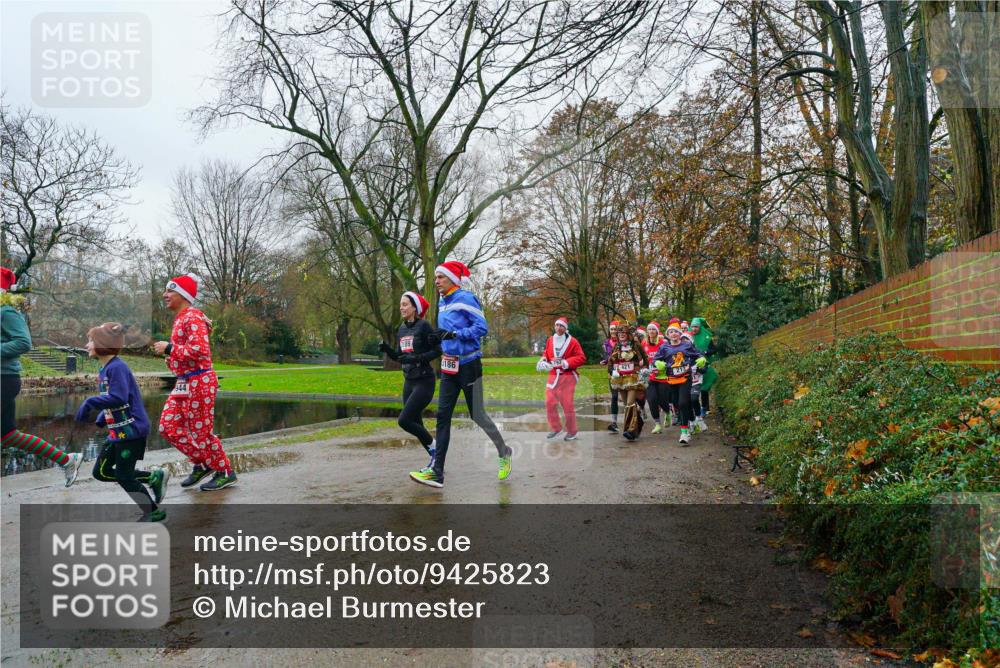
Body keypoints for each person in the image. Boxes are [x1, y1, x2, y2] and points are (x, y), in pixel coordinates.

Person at [409, 261, 512, 488]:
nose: (436, 281)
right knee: (442, 416)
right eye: (435, 277)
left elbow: (481, 328)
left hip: (469, 365)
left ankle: (504, 452)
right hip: (449, 367)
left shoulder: (465, 298)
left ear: (453, 279)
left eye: (441, 277)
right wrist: (437, 338)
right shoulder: (443, 302)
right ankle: (437, 471)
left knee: (478, 414)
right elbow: (446, 334)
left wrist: (454, 333)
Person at [152, 273, 236, 491]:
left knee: (201, 432)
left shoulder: (193, 317)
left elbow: (200, 350)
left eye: (170, 291)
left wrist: (169, 349)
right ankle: (203, 463)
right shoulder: (180, 318)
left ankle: (224, 470)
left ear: (182, 294)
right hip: (184, 383)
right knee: (168, 427)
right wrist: (171, 357)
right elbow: (184, 355)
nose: (165, 295)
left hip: (199, 381)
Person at [75, 323, 167, 521]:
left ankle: (153, 512)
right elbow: (113, 398)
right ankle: (152, 476)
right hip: (118, 431)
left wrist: (90, 403)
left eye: (91, 341)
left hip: (132, 430)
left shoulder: (117, 367)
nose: (87, 345)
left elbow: (120, 397)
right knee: (101, 472)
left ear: (103, 344)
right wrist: (102, 417)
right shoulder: (106, 368)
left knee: (124, 476)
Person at [0, 267, 83, 486]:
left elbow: (23, 342)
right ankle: (66, 460)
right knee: (8, 436)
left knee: (7, 434)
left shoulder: (6, 312)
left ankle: (67, 460)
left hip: (4, 379)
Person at [379, 291, 441, 470]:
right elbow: (400, 356)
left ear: (414, 307)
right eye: (400, 305)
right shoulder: (402, 328)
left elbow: (438, 350)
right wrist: (387, 350)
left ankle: (436, 449)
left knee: (404, 421)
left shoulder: (424, 327)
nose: (401, 308)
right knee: (416, 422)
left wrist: (417, 358)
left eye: (405, 304)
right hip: (409, 381)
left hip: (424, 380)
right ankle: (436, 460)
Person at [652, 319, 706, 445]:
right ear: (668, 334)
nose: (673, 334)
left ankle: (684, 433)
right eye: (671, 332)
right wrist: (657, 363)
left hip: (685, 378)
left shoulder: (686, 345)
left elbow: (697, 354)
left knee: (683, 403)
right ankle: (692, 419)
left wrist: (701, 359)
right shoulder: (664, 347)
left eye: (675, 332)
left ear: (679, 334)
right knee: (677, 404)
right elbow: (655, 359)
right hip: (671, 379)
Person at [537, 317, 587, 441]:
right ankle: (556, 428)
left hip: (568, 376)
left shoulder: (573, 342)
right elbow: (546, 354)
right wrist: (543, 361)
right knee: (549, 402)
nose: (558, 328)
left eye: (561, 326)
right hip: (553, 375)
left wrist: (566, 362)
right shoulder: (550, 340)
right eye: (557, 325)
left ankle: (572, 431)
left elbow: (581, 358)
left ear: (566, 328)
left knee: (567, 404)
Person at [608, 324, 648, 441]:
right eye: (619, 334)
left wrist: (644, 368)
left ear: (628, 335)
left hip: (634, 377)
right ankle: (638, 423)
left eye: (623, 334)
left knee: (630, 403)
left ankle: (630, 430)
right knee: (627, 405)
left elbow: (645, 358)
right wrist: (612, 371)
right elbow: (611, 361)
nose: (621, 336)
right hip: (621, 378)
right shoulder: (617, 347)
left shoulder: (635, 345)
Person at [643, 322, 670, 434]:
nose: (651, 332)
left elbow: (670, 357)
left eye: (653, 329)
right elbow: (641, 356)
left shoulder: (663, 343)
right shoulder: (644, 343)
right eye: (649, 329)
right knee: (652, 399)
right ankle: (657, 424)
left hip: (662, 376)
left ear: (657, 332)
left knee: (663, 400)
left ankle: (668, 413)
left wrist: (662, 365)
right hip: (649, 376)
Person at [682, 329, 708, 434]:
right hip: (684, 382)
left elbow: (705, 369)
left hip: (696, 381)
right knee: (686, 402)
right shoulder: (679, 354)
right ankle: (691, 422)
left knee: (693, 399)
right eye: (682, 340)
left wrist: (698, 368)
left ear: (691, 341)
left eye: (686, 340)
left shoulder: (698, 352)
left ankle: (699, 418)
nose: (684, 342)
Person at [690, 317, 717, 417]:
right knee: (692, 389)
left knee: (704, 388)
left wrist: (705, 352)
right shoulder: (688, 337)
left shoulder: (706, 337)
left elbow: (714, 349)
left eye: (696, 327)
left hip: (703, 365)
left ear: (700, 327)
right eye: (692, 327)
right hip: (692, 366)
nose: (694, 329)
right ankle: (694, 408)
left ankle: (704, 408)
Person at [601, 321, 621, 432]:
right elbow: (606, 356)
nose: (613, 331)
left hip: (625, 372)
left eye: (615, 329)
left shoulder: (624, 342)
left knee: (629, 397)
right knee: (614, 397)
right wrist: (605, 361)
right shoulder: (606, 343)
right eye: (612, 329)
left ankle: (638, 413)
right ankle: (614, 423)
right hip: (612, 373)